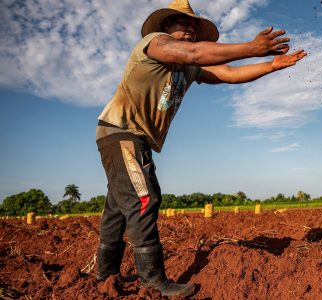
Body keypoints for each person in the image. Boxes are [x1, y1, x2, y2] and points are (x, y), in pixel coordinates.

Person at [94, 0, 306, 297]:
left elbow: (229, 74)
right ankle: (153, 281)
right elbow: (193, 51)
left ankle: (104, 276)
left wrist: (271, 65)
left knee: (118, 207)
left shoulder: (190, 68)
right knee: (144, 199)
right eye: (185, 24)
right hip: (122, 131)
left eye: (195, 27)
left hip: (131, 136)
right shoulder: (154, 44)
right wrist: (251, 47)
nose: (192, 30)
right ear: (166, 26)